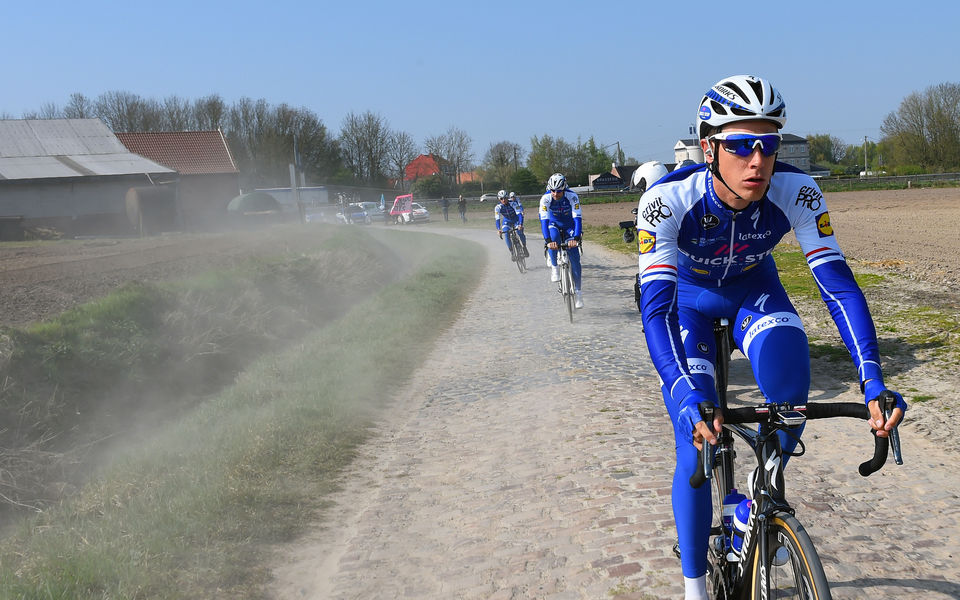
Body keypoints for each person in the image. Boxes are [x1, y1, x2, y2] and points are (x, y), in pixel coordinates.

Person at [634, 74, 907, 600]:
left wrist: (872, 379)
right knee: (695, 444)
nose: (757, 160)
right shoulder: (667, 201)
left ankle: (758, 503)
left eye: (768, 143)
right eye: (740, 145)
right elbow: (658, 308)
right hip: (687, 302)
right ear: (709, 147)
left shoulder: (798, 191)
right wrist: (682, 389)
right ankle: (694, 588)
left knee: (790, 384)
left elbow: (840, 289)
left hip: (755, 292)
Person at [539, 173, 583, 308]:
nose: (555, 194)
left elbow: (577, 219)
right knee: (554, 238)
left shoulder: (572, 196)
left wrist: (576, 238)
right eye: (553, 190)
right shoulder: (545, 199)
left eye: (558, 191)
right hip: (553, 224)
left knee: (575, 257)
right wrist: (547, 241)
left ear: (564, 189)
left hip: (569, 225)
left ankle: (578, 293)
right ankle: (555, 267)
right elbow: (544, 221)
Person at [494, 189, 529, 260]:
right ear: (499, 199)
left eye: (505, 198)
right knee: (506, 234)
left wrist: (520, 224)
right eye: (501, 198)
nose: (503, 200)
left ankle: (524, 247)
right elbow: (497, 219)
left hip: (516, 219)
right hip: (507, 221)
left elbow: (519, 214)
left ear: (507, 197)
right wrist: (498, 229)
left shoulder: (514, 203)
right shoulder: (497, 207)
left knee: (520, 232)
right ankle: (512, 252)